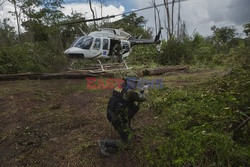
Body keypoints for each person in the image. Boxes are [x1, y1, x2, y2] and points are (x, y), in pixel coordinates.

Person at [97, 73, 149, 157]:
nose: (136, 84)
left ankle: (126, 128)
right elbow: (142, 98)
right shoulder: (129, 92)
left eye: (136, 82)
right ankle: (104, 142)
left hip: (112, 113)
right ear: (129, 81)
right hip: (118, 119)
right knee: (128, 143)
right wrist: (145, 90)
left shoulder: (120, 87)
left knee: (132, 106)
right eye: (134, 82)